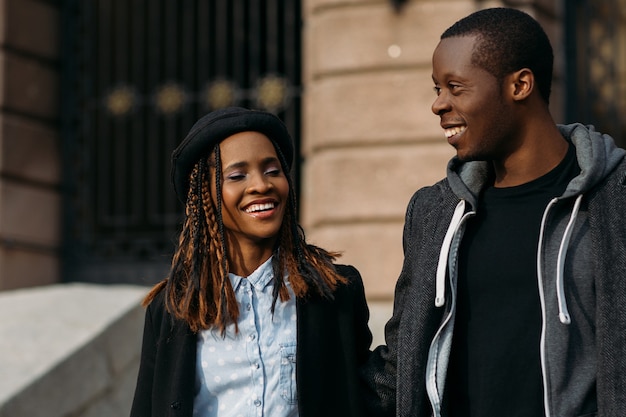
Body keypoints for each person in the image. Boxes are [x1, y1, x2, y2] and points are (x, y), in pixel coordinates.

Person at [361, 7, 626, 417]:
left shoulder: (614, 197)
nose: (438, 105)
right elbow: (402, 364)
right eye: (436, 89)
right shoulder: (434, 211)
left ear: (519, 85)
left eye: (455, 87)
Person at [130, 107, 372, 417]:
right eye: (237, 175)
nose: (261, 185)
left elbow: (365, 395)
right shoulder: (173, 308)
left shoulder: (335, 291)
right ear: (206, 194)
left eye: (273, 170)